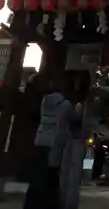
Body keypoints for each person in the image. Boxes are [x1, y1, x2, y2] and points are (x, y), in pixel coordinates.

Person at [23, 73, 74, 209]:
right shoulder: (66, 105)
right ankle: (49, 204)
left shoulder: (45, 100)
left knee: (37, 175)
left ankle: (31, 203)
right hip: (54, 142)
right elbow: (64, 125)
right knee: (51, 176)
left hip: (40, 139)